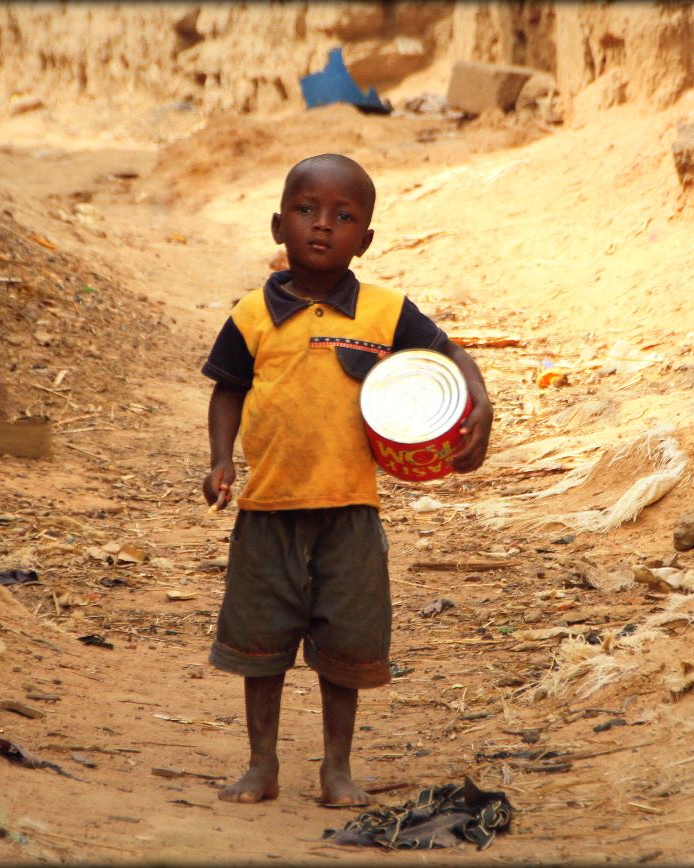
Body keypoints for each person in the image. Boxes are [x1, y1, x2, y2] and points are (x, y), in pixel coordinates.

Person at [199, 153, 492, 806]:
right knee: (260, 646)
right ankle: (262, 764)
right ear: (279, 226)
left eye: (343, 216)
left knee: (346, 651)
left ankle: (336, 769)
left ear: (367, 239)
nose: (322, 226)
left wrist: (480, 406)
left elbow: (447, 356)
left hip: (351, 513)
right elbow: (227, 390)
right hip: (267, 508)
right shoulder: (253, 314)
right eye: (306, 211)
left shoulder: (385, 312)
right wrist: (222, 459)